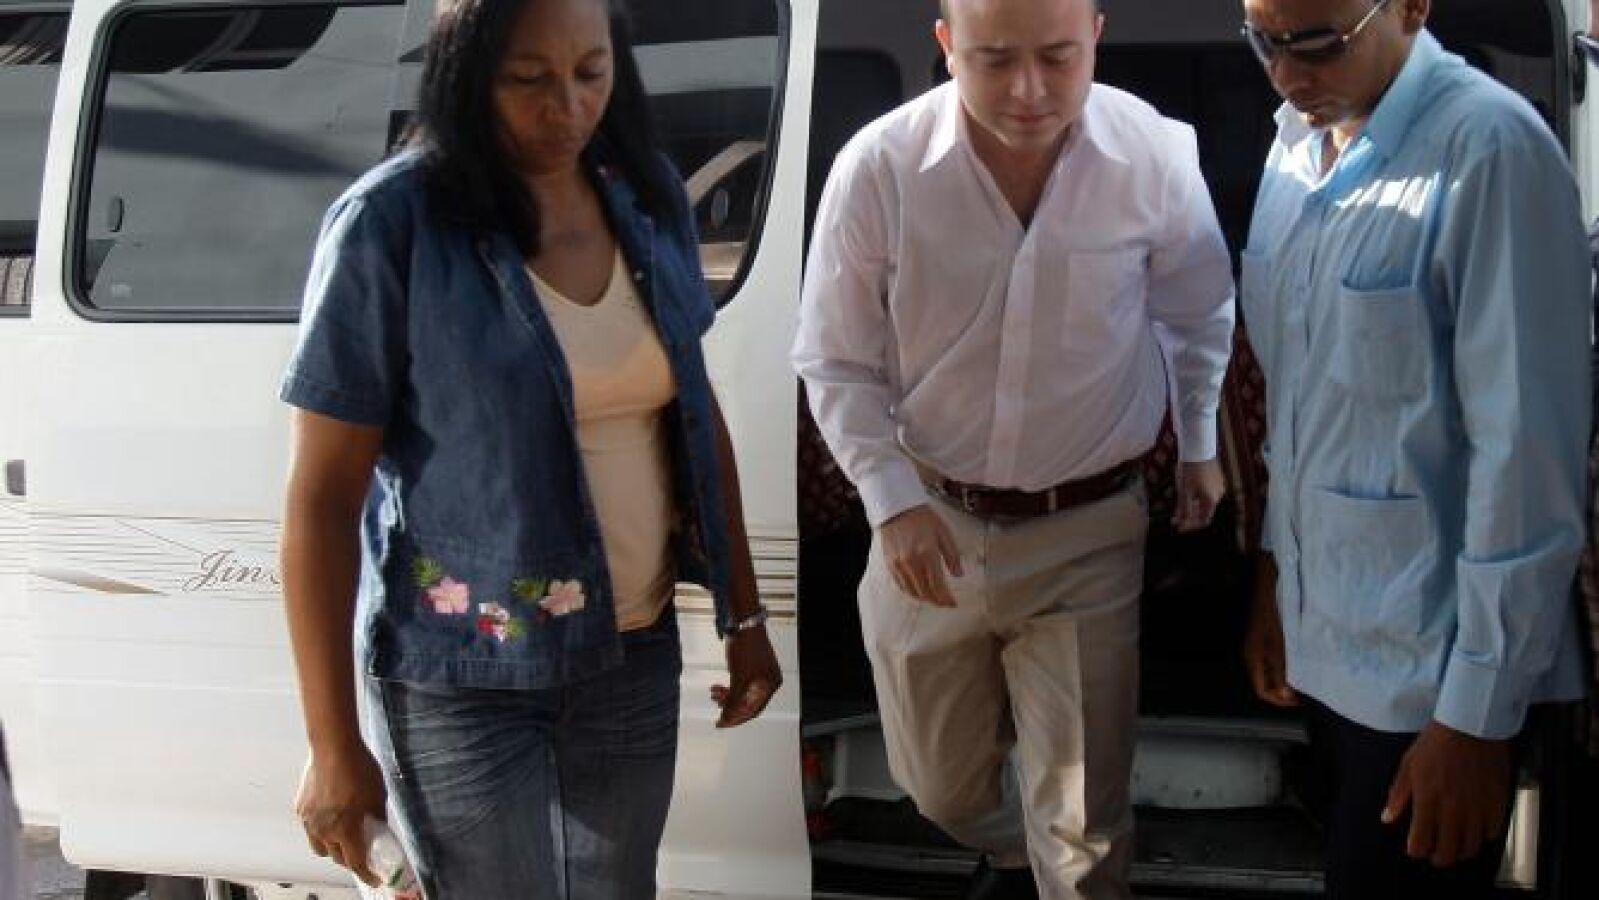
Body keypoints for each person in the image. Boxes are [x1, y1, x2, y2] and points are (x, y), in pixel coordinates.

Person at [277, 0, 782, 896]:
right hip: (461, 672)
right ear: (466, 71)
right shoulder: (391, 223)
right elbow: (320, 501)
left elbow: (695, 412)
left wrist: (743, 617)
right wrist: (332, 744)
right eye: (529, 79)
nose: (568, 107)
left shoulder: (646, 195)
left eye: (591, 73)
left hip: (632, 654)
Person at [792, 0, 1236, 895]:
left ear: (1095, 39)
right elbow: (833, 358)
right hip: (930, 525)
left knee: (1081, 829)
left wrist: (1197, 445)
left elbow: (1196, 313)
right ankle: (1009, 850)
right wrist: (891, 503)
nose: (1029, 90)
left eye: (1056, 57)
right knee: (938, 789)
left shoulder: (1152, 155)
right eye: (995, 59)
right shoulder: (880, 166)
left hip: (1088, 530)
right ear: (946, 45)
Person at [1238, 1, 1591, 896]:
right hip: (1326, 649)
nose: (1286, 75)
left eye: (1317, 44)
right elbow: (1300, 407)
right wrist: (1276, 576)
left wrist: (1475, 720)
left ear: (1408, 6)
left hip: (1432, 683)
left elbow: (1525, 462)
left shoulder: (1489, 154)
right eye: (1263, 42)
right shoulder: (1293, 147)